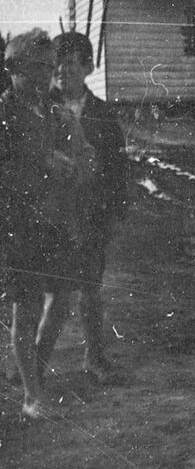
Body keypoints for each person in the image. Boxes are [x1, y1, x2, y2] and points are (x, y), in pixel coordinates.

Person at [1, 31, 91, 417]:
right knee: (27, 307)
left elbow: (82, 149)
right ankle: (32, 397)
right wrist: (42, 164)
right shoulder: (4, 115)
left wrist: (84, 160)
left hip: (56, 222)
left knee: (63, 299)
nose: (44, 77)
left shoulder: (56, 113)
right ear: (13, 70)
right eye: (34, 69)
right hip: (19, 226)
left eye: (48, 69)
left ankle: (32, 372)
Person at [36, 32, 130, 383]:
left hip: (91, 216)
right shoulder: (40, 108)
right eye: (56, 64)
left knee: (90, 290)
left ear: (89, 67)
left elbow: (119, 169)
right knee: (53, 294)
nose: (62, 71)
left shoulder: (104, 115)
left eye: (70, 64)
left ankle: (95, 358)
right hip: (53, 216)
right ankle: (34, 363)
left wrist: (116, 214)